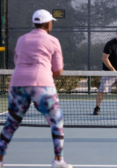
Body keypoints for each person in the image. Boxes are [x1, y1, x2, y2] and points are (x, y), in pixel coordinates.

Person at [0, 9, 72, 168]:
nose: (52, 24)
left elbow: (17, 61)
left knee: (11, 122)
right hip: (43, 84)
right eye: (51, 22)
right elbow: (58, 72)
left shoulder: (21, 39)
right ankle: (59, 160)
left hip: (17, 83)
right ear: (47, 24)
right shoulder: (53, 41)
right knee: (56, 121)